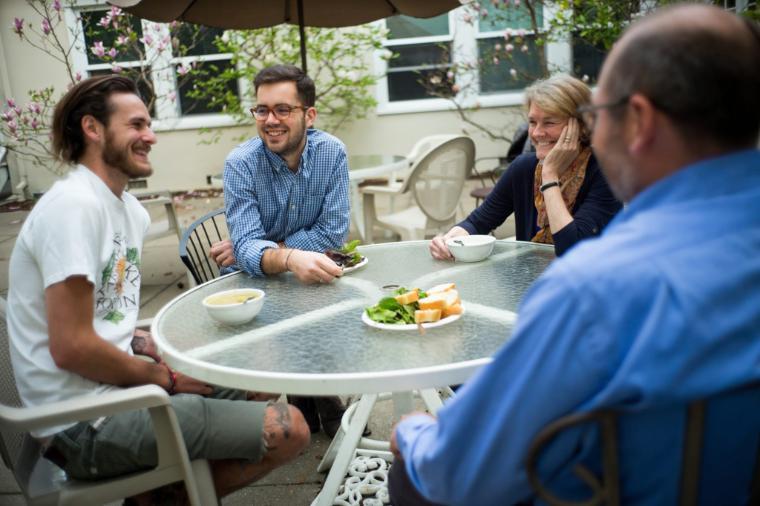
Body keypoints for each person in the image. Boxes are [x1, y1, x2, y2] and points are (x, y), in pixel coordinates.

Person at [390, 4, 760, 505]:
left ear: (640, 121)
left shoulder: (597, 290)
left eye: (597, 114)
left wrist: (410, 432)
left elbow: (459, 475)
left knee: (412, 468)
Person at [6, 75, 310, 504]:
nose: (150, 136)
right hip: (81, 423)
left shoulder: (127, 211)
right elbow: (72, 346)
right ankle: (164, 498)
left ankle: (158, 492)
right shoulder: (72, 208)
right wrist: (165, 377)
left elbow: (105, 320)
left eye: (148, 124)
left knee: (256, 374)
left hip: (121, 388)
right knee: (288, 428)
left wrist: (158, 349)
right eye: (135, 125)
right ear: (93, 129)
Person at [208, 64, 352, 437]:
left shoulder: (332, 153)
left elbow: (333, 231)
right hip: (252, 285)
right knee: (294, 310)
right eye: (262, 110)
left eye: (283, 110)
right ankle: (327, 406)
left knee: (338, 305)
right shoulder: (240, 164)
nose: (270, 120)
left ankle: (308, 400)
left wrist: (262, 250)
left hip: (305, 273)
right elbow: (247, 248)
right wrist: (269, 254)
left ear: (309, 114)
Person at [430, 74, 622, 258]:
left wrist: (549, 175)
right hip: (533, 282)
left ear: (580, 126)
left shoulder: (606, 172)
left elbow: (571, 250)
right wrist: (450, 240)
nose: (537, 133)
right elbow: (477, 222)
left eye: (549, 122)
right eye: (532, 122)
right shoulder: (523, 168)